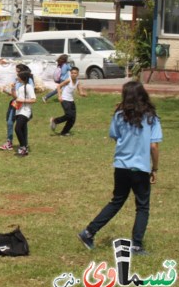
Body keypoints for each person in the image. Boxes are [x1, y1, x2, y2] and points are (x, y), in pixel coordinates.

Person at [78, 82, 162, 255]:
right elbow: (154, 146)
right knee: (142, 207)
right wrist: (155, 168)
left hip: (121, 167)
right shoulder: (151, 117)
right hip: (140, 168)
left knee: (116, 202)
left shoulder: (119, 115)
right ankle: (137, 245)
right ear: (143, 94)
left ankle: (88, 232)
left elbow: (116, 137)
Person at [0, 64, 34, 151]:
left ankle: (24, 144)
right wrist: (8, 90)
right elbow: (16, 95)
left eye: (18, 71)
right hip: (14, 104)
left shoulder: (28, 81)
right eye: (16, 71)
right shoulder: (16, 80)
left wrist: (22, 100)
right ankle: (9, 142)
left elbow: (29, 95)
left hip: (23, 106)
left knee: (22, 126)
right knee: (10, 122)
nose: (16, 73)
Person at [50, 66, 86, 136]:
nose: (73, 74)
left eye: (75, 73)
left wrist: (83, 94)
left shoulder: (78, 82)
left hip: (71, 100)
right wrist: (59, 96)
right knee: (69, 115)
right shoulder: (68, 80)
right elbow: (58, 86)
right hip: (64, 99)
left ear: (77, 74)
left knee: (73, 118)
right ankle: (55, 121)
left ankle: (64, 132)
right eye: (72, 73)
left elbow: (80, 91)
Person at [14, 70, 36, 157]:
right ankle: (24, 149)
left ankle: (23, 147)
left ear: (22, 78)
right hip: (19, 111)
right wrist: (11, 89)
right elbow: (17, 98)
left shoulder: (29, 87)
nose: (17, 78)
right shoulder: (20, 87)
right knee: (22, 130)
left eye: (18, 76)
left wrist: (22, 100)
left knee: (17, 128)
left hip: (26, 111)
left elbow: (33, 100)